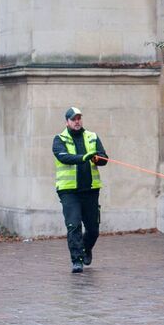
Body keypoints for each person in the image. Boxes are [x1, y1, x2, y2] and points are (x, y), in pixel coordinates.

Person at [52, 107, 108, 273]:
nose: (77, 121)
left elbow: (104, 158)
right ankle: (77, 261)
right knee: (74, 225)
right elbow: (64, 157)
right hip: (69, 191)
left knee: (93, 230)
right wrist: (84, 157)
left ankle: (85, 249)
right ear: (67, 122)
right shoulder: (59, 139)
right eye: (73, 119)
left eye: (79, 118)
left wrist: (98, 159)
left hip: (90, 190)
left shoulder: (92, 137)